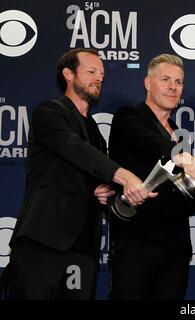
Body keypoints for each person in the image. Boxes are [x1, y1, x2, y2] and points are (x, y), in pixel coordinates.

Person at [4, 48, 151, 299]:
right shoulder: (49, 112)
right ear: (68, 74)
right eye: (92, 71)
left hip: (84, 251)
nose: (99, 78)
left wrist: (107, 194)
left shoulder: (94, 130)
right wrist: (122, 175)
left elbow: (95, 178)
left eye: (102, 74)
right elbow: (72, 148)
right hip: (43, 242)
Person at [108, 53, 195, 300]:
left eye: (178, 82)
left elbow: (187, 201)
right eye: (165, 79)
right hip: (137, 243)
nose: (172, 87)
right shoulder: (128, 117)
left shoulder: (179, 135)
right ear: (148, 83)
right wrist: (183, 158)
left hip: (176, 249)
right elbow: (150, 142)